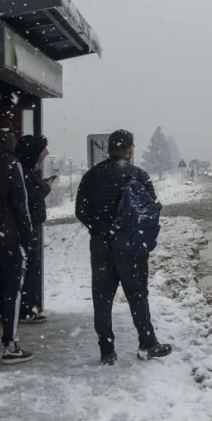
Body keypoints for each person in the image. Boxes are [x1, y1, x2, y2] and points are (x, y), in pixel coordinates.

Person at [74, 130, 173, 366]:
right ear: (130, 149)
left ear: (108, 149)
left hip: (101, 246)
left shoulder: (92, 176)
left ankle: (107, 350)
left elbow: (80, 210)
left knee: (102, 298)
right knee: (137, 295)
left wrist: (99, 229)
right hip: (131, 246)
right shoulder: (138, 175)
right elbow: (150, 210)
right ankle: (147, 343)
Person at [0, 119, 36, 363]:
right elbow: (20, 204)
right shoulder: (11, 163)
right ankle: (10, 344)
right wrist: (28, 237)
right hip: (7, 238)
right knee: (11, 291)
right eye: (11, 134)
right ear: (6, 138)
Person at [15, 133, 55, 323]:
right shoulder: (23, 173)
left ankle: (28, 308)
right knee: (30, 269)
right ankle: (27, 309)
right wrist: (46, 187)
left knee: (31, 268)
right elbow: (31, 197)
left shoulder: (23, 171)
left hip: (28, 226)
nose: (41, 162)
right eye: (40, 157)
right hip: (28, 227)